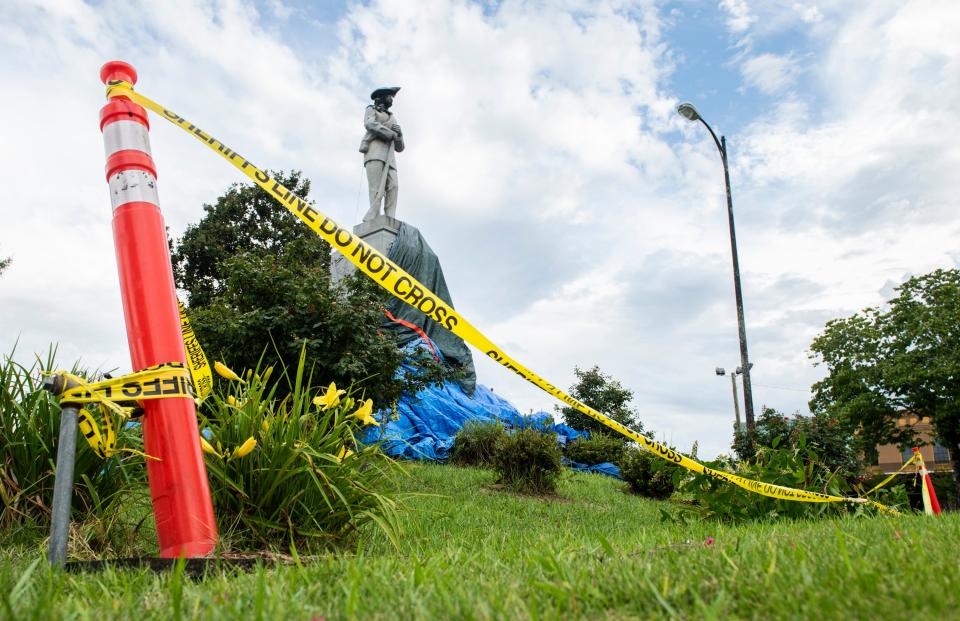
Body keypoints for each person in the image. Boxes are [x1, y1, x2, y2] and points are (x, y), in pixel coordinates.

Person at [359, 86, 404, 221]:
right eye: (390, 97)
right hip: (374, 153)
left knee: (394, 186)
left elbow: (400, 147)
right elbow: (370, 124)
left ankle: (390, 218)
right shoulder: (371, 110)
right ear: (383, 97)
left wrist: (399, 135)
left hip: (390, 158)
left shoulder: (392, 117)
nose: (392, 100)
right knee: (376, 189)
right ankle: (375, 217)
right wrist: (390, 133)